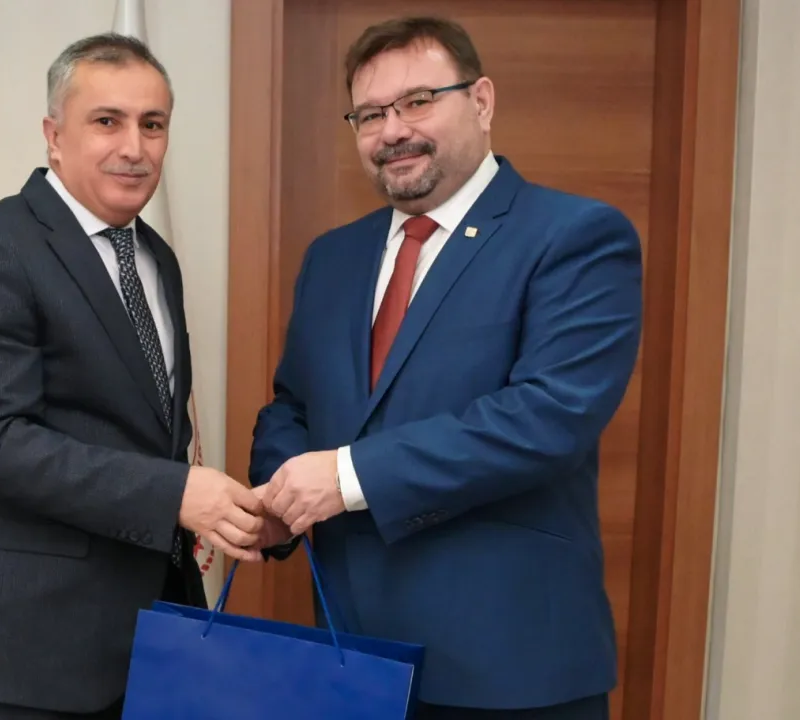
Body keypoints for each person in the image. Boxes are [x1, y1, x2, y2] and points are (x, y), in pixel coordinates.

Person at [248, 15, 643, 720]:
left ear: (482, 101)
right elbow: (295, 403)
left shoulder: (575, 236)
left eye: (418, 101)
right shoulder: (332, 257)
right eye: (370, 114)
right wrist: (279, 499)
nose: (392, 130)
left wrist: (342, 478)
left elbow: (547, 418)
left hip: (509, 668)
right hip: (351, 657)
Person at [0, 34, 265, 720]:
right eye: (107, 121)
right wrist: (174, 493)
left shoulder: (155, 257)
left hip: (154, 634)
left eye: (153, 124)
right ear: (54, 136)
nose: (134, 147)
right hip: (35, 650)